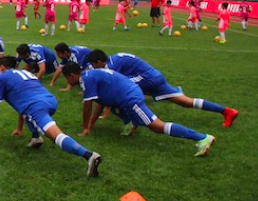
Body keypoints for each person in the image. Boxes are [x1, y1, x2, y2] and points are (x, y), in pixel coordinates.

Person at [61, 63, 216, 157]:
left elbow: (88, 106)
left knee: (156, 126)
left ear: (72, 75)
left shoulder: (86, 79)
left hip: (130, 98)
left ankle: (202, 138)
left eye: (67, 78)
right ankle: (130, 124)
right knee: (110, 103)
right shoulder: (89, 76)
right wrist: (89, 126)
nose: (67, 82)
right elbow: (99, 103)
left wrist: (85, 127)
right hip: (126, 95)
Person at [0, 57, 102, 177]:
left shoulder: (0, 78)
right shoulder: (25, 72)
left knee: (56, 136)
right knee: (28, 111)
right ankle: (36, 137)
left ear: (1, 68)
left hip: (36, 106)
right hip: (50, 100)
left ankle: (89, 155)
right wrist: (20, 128)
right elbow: (22, 101)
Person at [87, 50, 239, 128]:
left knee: (120, 91)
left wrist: (105, 113)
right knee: (185, 102)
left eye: (94, 65)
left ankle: (133, 122)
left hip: (147, 79)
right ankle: (226, 111)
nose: (93, 69)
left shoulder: (111, 66)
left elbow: (111, 92)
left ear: (100, 62)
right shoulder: (114, 59)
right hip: (154, 76)